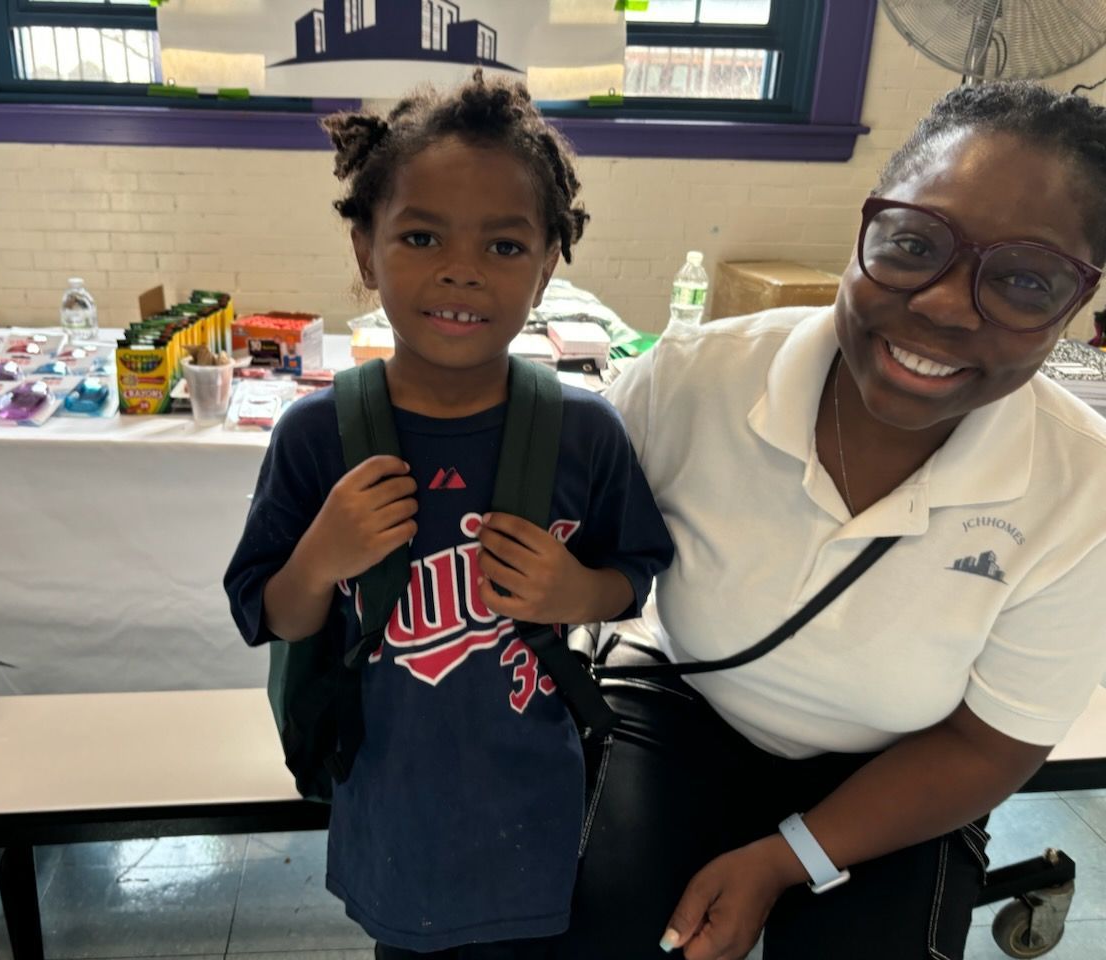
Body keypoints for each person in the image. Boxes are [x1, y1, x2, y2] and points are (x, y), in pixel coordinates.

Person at [591, 80, 1106, 960]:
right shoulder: (689, 381)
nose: (943, 304)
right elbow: (566, 555)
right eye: (913, 243)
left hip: (908, 762)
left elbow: (990, 745)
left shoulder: (1082, 490)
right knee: (589, 934)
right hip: (683, 700)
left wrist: (781, 861)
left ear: (1077, 304)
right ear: (868, 225)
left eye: (1024, 280)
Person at [224, 72, 673, 959]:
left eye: (504, 246)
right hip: (396, 813)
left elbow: (634, 577)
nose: (461, 269)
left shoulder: (584, 431)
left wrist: (576, 591)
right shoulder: (317, 435)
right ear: (365, 250)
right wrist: (321, 557)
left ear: (548, 266)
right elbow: (271, 614)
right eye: (421, 236)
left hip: (540, 812)